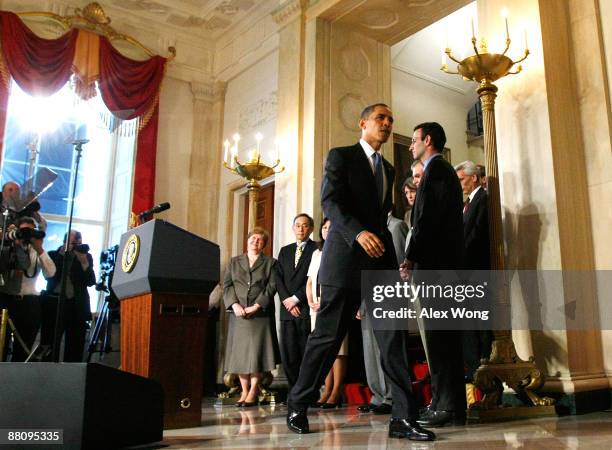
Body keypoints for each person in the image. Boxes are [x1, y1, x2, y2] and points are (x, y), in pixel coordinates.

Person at [286, 103, 435, 441]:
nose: (387, 123)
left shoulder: (390, 169)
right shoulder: (340, 156)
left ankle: (403, 416)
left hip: (380, 261)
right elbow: (331, 203)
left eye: (391, 120)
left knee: (392, 337)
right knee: (327, 337)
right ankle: (297, 403)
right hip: (343, 261)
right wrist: (357, 233)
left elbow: (382, 213)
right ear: (363, 123)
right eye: (381, 118)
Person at [401, 122, 466, 427]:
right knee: (440, 340)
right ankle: (443, 403)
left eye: (414, 140)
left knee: (442, 341)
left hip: (437, 269)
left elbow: (428, 221)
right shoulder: (439, 171)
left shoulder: (437, 171)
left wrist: (411, 257)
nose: (411, 145)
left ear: (427, 140)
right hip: (439, 267)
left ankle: (448, 407)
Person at [223, 227, 278, 407]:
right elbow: (227, 286)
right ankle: (244, 391)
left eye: (260, 240)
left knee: (257, 353)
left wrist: (257, 305)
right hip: (238, 314)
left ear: (264, 245)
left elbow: (271, 287)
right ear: (247, 240)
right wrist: (235, 305)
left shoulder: (271, 262)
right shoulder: (233, 262)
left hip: (260, 314)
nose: (256, 241)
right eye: (253, 238)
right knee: (240, 354)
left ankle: (254, 390)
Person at [455, 160, 493, 381]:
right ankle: (473, 379)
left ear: (475, 178)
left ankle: (485, 379)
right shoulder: (466, 203)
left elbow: (476, 237)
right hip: (465, 276)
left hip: (478, 273)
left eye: (462, 180)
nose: (460, 185)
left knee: (481, 329)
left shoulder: (484, 200)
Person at [306, 218, 348, 409]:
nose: (326, 230)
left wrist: (326, 301)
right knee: (323, 348)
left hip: (335, 305)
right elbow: (309, 282)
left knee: (338, 351)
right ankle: (326, 388)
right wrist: (311, 302)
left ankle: (336, 390)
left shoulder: (342, 248)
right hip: (316, 308)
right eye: (324, 227)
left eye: (331, 227)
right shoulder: (316, 253)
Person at [274, 214, 317, 389]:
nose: (301, 229)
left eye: (305, 225)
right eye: (297, 225)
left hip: (305, 307)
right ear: (293, 228)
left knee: (306, 352)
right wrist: (286, 300)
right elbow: (278, 277)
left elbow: (314, 278)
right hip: (287, 310)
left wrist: (295, 299)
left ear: (311, 229)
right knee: (289, 354)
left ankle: (306, 391)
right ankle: (293, 391)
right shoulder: (285, 250)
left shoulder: (317, 249)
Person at [42, 230, 96, 362]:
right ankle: (46, 372)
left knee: (75, 346)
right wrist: (64, 254)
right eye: (73, 242)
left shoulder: (86, 257)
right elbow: (50, 276)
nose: (77, 245)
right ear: (65, 242)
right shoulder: (53, 255)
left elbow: (91, 281)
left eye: (79, 242)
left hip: (76, 306)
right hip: (55, 303)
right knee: (49, 343)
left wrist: (83, 262)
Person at [10, 217, 56, 361]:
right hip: (8, 300)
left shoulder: (35, 250)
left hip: (29, 303)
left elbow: (51, 273)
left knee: (24, 349)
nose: (27, 236)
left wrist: (40, 249)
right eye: (24, 231)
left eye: (30, 232)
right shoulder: (8, 247)